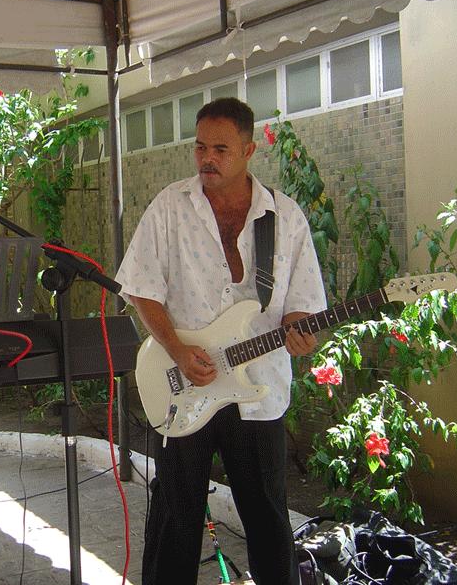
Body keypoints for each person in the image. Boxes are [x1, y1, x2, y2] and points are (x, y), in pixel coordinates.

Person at [115, 97, 326, 585]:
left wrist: (300, 330)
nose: (207, 158)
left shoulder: (285, 216)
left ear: (249, 150)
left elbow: (301, 302)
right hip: (184, 382)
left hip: (259, 388)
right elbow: (141, 287)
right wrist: (176, 349)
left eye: (221, 149)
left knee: (268, 517)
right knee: (174, 517)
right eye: (200, 147)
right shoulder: (171, 206)